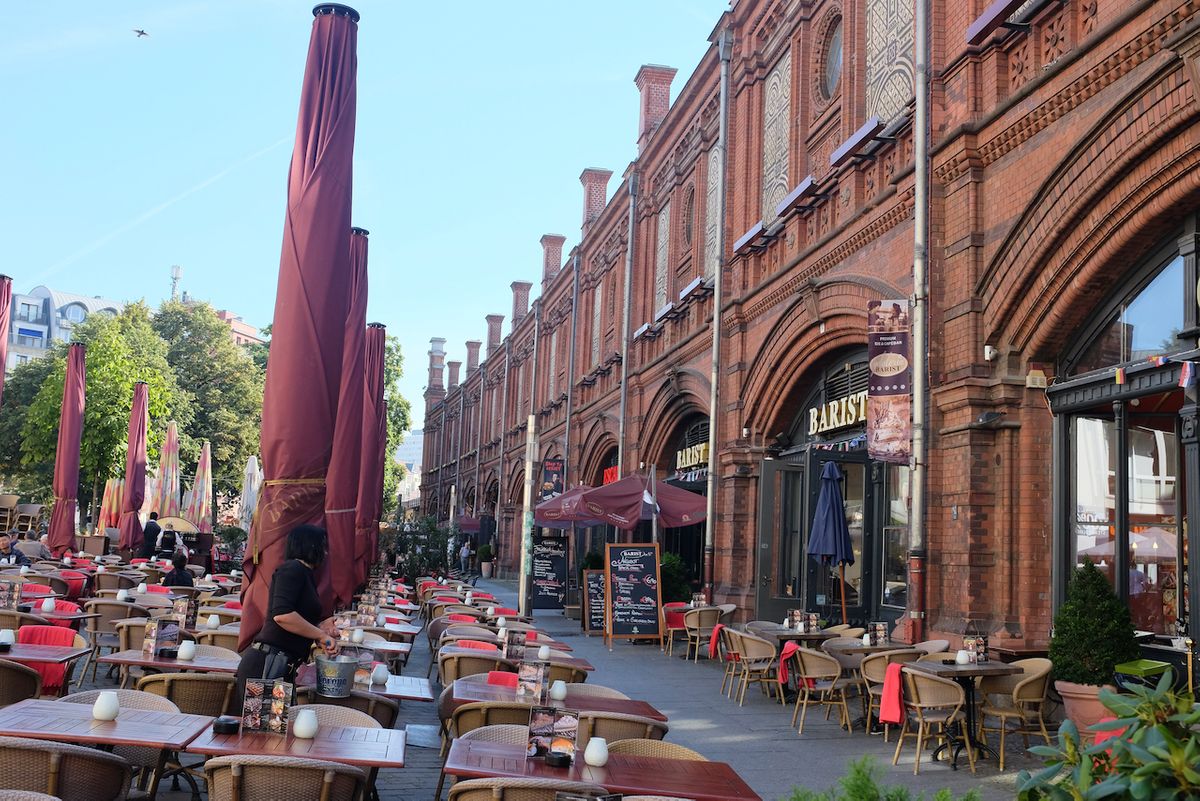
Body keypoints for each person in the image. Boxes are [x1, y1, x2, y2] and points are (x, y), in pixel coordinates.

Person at [233, 525, 339, 709]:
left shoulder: (304, 573)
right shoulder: (292, 570)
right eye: (322, 546)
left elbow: (295, 616)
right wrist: (320, 635)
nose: (326, 553)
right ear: (311, 546)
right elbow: (282, 615)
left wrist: (320, 629)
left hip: (280, 665)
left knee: (274, 734)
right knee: (265, 734)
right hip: (267, 665)